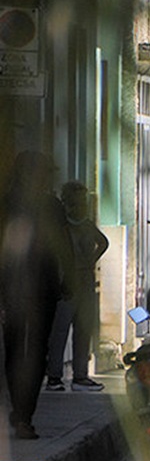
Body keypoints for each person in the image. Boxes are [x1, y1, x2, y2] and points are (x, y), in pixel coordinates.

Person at [1, 152, 72, 439]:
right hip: (22, 288)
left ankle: (23, 413)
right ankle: (22, 415)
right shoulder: (11, 204)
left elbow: (63, 246)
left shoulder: (49, 206)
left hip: (37, 288)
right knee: (25, 350)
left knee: (25, 350)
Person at [46, 181, 109, 392]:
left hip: (86, 281)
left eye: (82, 202)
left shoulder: (87, 225)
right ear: (66, 203)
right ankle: (54, 376)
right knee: (60, 330)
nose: (79, 207)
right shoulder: (61, 227)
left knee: (83, 329)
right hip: (68, 283)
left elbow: (104, 242)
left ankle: (80, 376)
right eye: (75, 202)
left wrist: (91, 259)